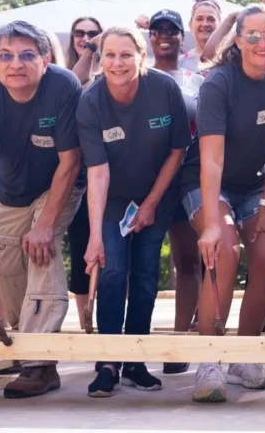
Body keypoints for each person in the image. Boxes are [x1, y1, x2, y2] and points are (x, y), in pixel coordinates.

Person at [181, 4, 265, 403]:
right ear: (238, 39)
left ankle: (244, 356)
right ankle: (209, 358)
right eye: (253, 35)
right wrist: (213, 222)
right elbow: (211, 158)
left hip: (254, 187)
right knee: (225, 251)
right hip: (208, 181)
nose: (262, 42)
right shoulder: (219, 83)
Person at [0, 20, 85, 399]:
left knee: (40, 250)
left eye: (27, 55)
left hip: (58, 184)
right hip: (9, 192)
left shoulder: (64, 85)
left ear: (45, 59)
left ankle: (40, 362)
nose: (16, 64)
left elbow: (71, 162)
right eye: (6, 56)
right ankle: (21, 343)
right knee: (1, 263)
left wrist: (46, 224)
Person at [79, 26, 189, 397]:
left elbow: (178, 150)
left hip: (156, 196)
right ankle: (109, 362)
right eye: (109, 55)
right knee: (112, 274)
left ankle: (136, 360)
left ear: (141, 56)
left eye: (126, 54)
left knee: (144, 277)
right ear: (101, 59)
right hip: (111, 202)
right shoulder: (90, 101)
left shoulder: (164, 89)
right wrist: (95, 236)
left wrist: (152, 204)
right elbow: (96, 171)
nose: (117, 62)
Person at [147, 8, 204, 374]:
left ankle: (180, 341)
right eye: (158, 29)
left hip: (184, 178)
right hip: (143, 181)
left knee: (187, 260)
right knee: (139, 264)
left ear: (182, 37)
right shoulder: (134, 74)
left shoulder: (195, 79)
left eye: (172, 29)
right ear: (149, 36)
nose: (165, 34)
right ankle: (128, 343)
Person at [63, 17, 102, 333]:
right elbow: (73, 86)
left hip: (108, 173)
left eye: (92, 34)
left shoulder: (111, 73)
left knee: (112, 252)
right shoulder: (62, 74)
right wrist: (91, 50)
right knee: (80, 252)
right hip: (74, 176)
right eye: (80, 33)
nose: (86, 38)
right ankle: (86, 324)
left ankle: (110, 321)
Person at [66, 16, 103, 86]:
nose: (85, 39)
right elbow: (72, 85)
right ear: (72, 38)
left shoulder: (109, 73)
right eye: (79, 33)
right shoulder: (63, 71)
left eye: (93, 34)